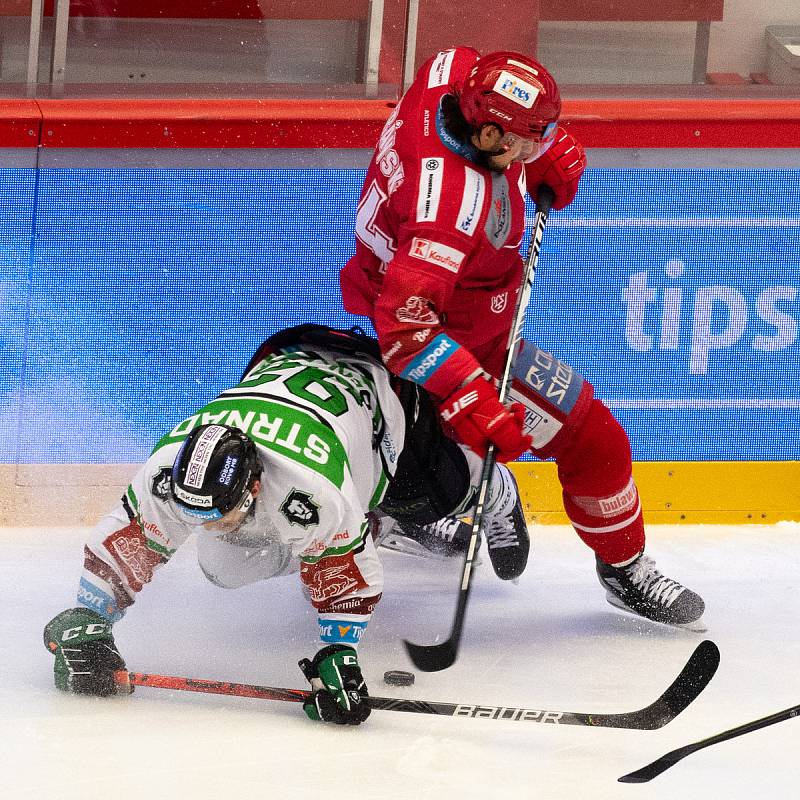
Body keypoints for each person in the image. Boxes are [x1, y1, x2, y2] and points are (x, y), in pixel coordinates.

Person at [339, 47, 705, 629]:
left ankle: (618, 567)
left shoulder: (448, 73)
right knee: (587, 440)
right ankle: (620, 568)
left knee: (576, 438)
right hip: (445, 340)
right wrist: (471, 394)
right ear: (489, 135)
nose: (537, 146)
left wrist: (542, 152)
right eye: (528, 139)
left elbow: (469, 67)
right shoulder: (450, 209)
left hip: (424, 308)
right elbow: (406, 331)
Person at [42, 324, 522, 725]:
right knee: (223, 566)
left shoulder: (309, 491)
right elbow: (126, 543)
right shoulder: (171, 469)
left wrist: (339, 653)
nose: (204, 526)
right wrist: (89, 619)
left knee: (434, 493)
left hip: (376, 397)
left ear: (252, 488)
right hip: (290, 366)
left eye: (218, 514)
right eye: (195, 514)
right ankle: (374, 529)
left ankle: (499, 493)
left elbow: (345, 580)